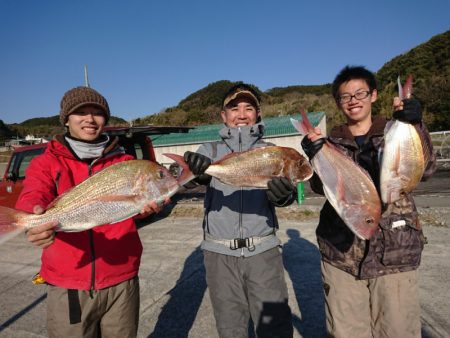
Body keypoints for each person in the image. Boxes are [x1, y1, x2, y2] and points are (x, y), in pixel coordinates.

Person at [16, 86, 163, 338]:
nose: (89, 119)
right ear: (66, 119)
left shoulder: (125, 163)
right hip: (68, 282)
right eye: (80, 112)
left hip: (122, 279)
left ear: (105, 118)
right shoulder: (47, 161)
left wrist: (146, 209)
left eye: (97, 112)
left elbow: (131, 209)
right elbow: (33, 193)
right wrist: (34, 216)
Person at [301, 66, 436, 337]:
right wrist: (316, 156)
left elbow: (427, 167)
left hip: (395, 254)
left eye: (360, 93)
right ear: (338, 103)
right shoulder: (331, 143)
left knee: (398, 331)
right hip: (341, 256)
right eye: (345, 96)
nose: (353, 100)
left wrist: (416, 124)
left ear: (373, 95)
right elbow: (319, 187)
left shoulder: (396, 129)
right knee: (346, 332)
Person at [183, 83, 295, 338]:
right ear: (223, 116)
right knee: (230, 328)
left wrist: (284, 197)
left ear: (258, 114)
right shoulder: (209, 151)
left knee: (275, 328)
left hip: (263, 251)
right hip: (219, 253)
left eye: (248, 108)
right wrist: (195, 173)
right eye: (234, 108)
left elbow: (287, 192)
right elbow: (184, 180)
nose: (241, 114)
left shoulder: (272, 153)